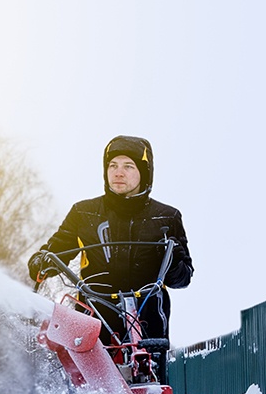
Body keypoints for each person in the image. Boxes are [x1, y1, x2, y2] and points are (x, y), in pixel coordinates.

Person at [27, 135, 193, 380]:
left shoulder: (166, 218)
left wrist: (175, 260)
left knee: (151, 380)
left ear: (144, 172)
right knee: (91, 382)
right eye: (113, 166)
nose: (118, 173)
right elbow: (57, 249)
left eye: (128, 166)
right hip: (94, 310)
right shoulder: (84, 213)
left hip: (147, 313)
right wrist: (42, 262)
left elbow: (183, 278)